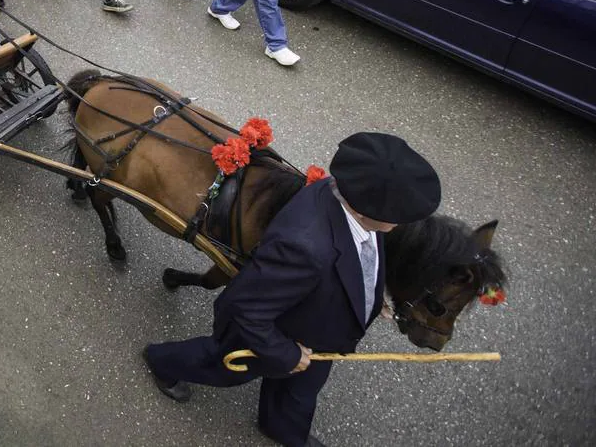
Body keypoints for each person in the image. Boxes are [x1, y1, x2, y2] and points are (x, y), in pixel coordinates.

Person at [144, 132, 442, 447]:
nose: (402, 222)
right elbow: (244, 307)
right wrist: (284, 353)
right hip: (270, 334)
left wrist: (369, 294)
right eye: (398, 214)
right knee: (222, 367)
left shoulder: (356, 207)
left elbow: (360, 259)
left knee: (299, 390)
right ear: (367, 208)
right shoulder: (305, 247)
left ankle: (282, 428)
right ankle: (161, 361)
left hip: (314, 331)